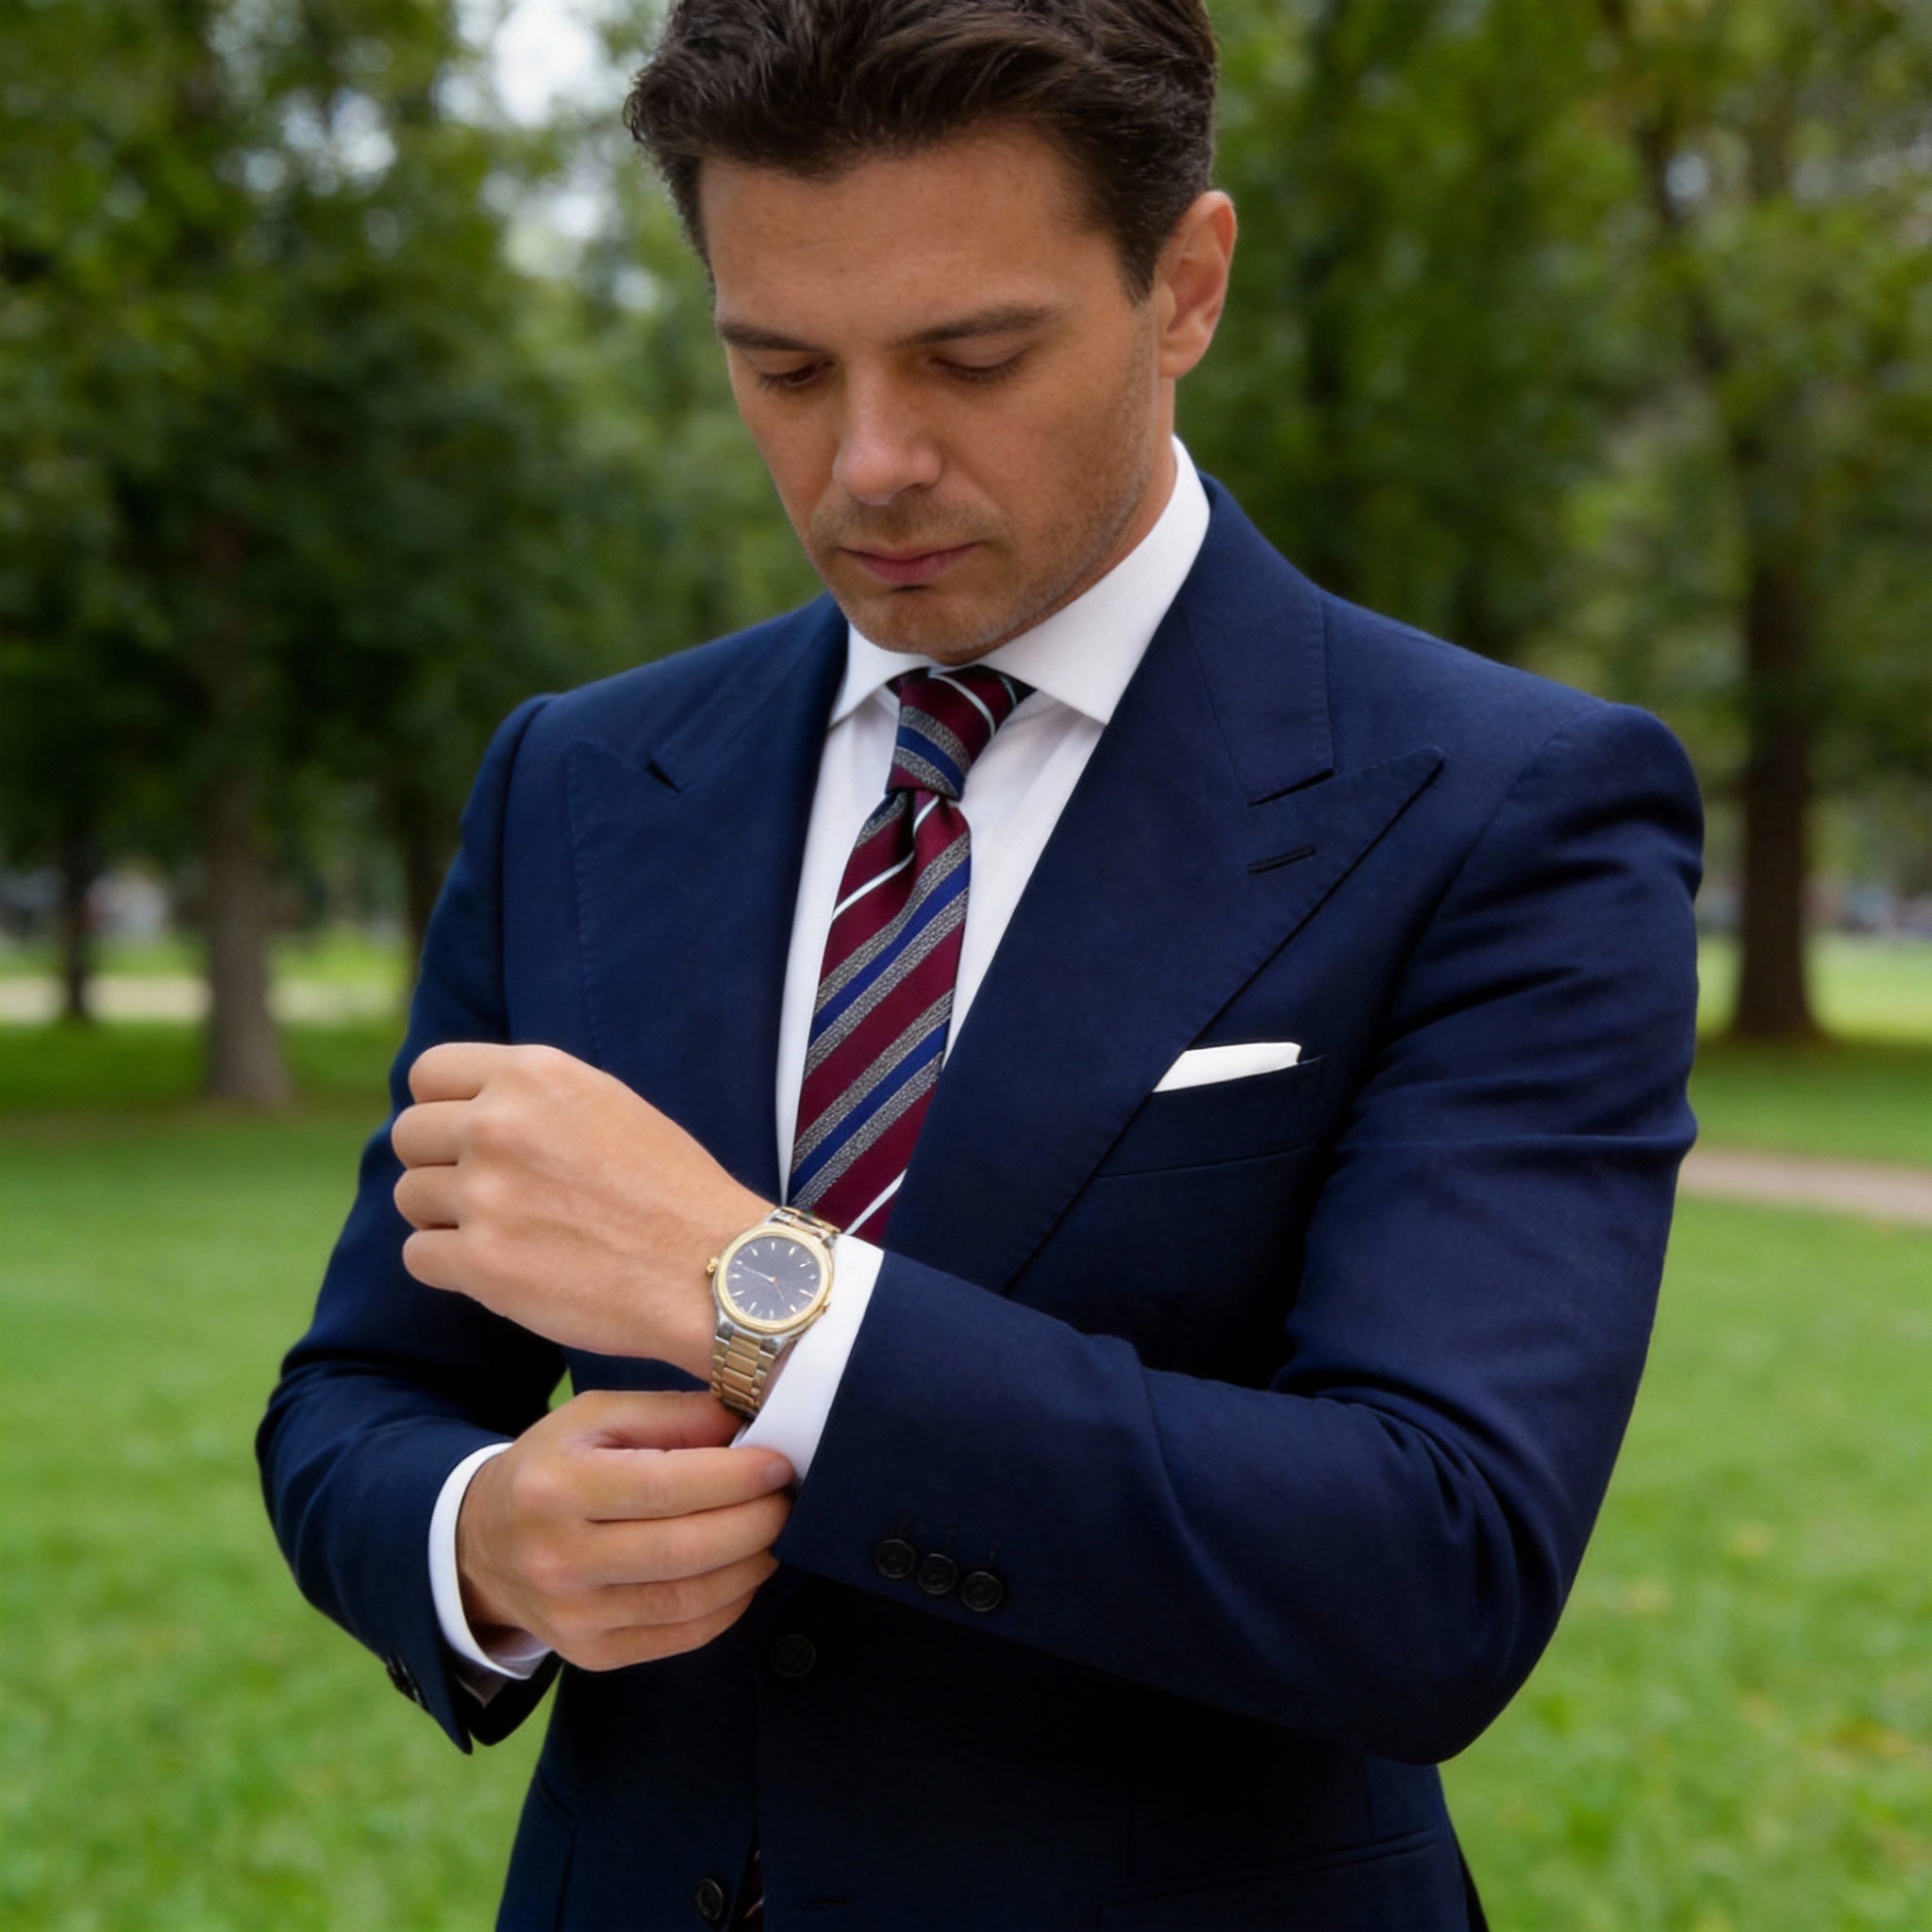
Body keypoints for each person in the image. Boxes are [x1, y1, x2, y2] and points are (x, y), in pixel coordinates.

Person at [258, 3, 1704, 1927]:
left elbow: (1430, 1566)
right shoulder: (579, 781)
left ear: (1183, 282)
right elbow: (359, 1392)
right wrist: (482, 1544)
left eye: (972, 356)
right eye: (778, 365)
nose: (866, 463)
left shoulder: (1506, 807)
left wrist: (744, 1289)